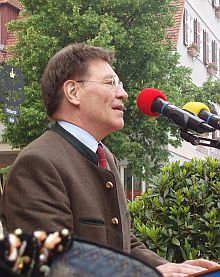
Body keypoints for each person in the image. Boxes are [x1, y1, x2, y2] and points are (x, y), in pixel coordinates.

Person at [0, 43, 218, 276]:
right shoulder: (38, 164)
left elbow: (123, 243)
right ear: (73, 92)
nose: (123, 93)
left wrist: (161, 266)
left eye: (120, 84)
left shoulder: (105, 157)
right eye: (110, 83)